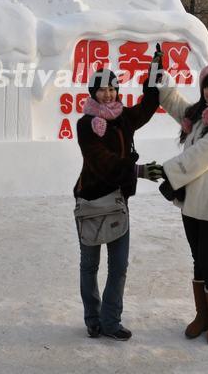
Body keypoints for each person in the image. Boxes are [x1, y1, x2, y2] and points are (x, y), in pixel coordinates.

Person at [152, 59, 208, 346]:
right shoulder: (199, 116)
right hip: (191, 201)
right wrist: (160, 76)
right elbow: (175, 103)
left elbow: (202, 153)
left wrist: (168, 172)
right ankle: (202, 315)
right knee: (197, 259)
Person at [74, 68, 163, 341]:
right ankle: (93, 320)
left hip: (117, 201)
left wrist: (153, 76)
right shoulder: (85, 125)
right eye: (102, 89)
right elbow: (101, 162)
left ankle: (110, 321)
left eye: (112, 88)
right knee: (90, 265)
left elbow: (147, 108)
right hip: (90, 200)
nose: (108, 94)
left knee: (119, 265)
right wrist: (137, 171)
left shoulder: (123, 118)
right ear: (93, 92)